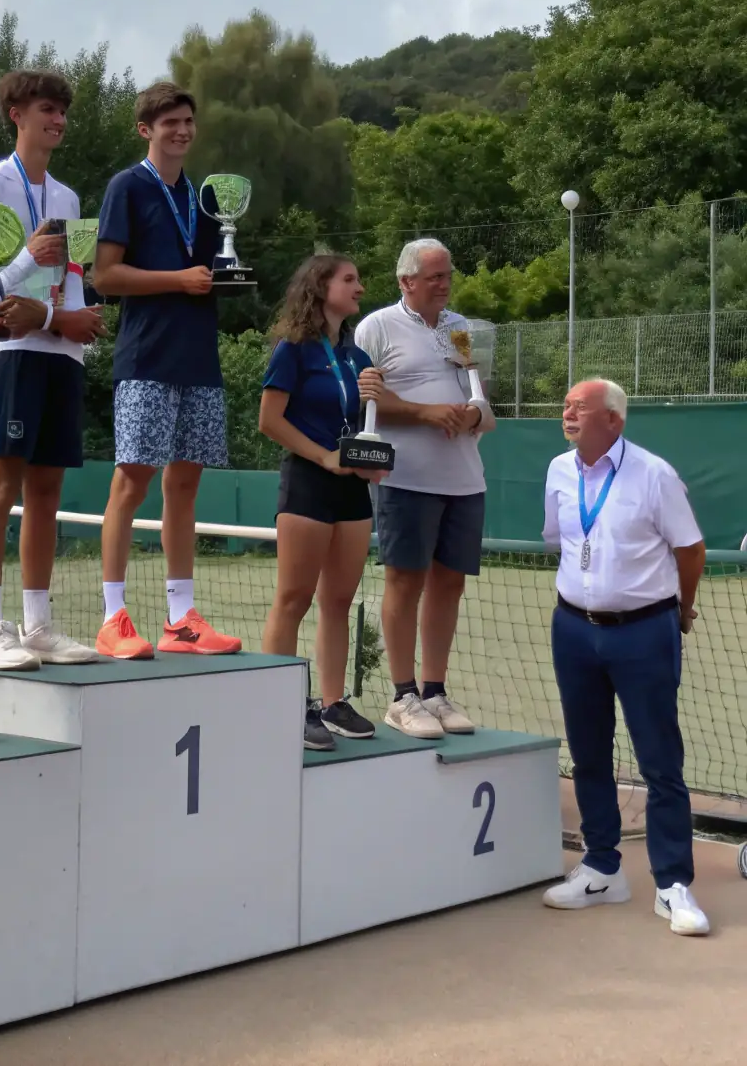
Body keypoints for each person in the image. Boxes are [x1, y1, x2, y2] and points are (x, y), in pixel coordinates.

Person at [541, 377, 710, 936]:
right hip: (573, 629)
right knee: (588, 753)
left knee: (660, 760)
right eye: (565, 406)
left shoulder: (654, 474)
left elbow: (690, 549)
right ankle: (601, 869)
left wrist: (681, 610)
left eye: (579, 407)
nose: (567, 414)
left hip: (644, 632)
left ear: (613, 419)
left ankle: (672, 885)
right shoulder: (559, 471)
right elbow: (558, 541)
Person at [90, 81, 241, 659]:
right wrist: (177, 281)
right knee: (133, 482)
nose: (181, 131)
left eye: (188, 122)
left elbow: (209, 268)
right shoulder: (127, 187)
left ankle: (180, 620)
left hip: (198, 357)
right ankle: (113, 617)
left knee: (185, 485)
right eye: (169, 122)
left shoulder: (204, 198)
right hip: (146, 357)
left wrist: (223, 277)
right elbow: (105, 276)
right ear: (145, 129)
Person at [0, 70, 106, 671]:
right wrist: (30, 257)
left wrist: (78, 321)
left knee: (47, 489)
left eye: (65, 111)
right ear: (16, 113)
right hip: (13, 354)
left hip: (60, 353)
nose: (60, 120)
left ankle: (38, 624)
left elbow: (75, 275)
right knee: (2, 485)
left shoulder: (69, 198)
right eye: (49, 108)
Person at [354, 238, 494, 740]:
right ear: (405, 281)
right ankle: (403, 696)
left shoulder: (460, 331)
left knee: (449, 584)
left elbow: (482, 402)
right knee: (405, 583)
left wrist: (474, 414)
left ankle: (435, 691)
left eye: (447, 274)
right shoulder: (375, 326)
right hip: (404, 479)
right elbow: (359, 399)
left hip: (464, 480)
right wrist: (425, 412)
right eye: (434, 276)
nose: (444, 283)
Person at [259, 255, 386, 750]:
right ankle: (282, 704)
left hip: (351, 489)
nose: (360, 287)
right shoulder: (293, 348)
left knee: (339, 600)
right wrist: (324, 457)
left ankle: (333, 703)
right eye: (349, 279)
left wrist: (374, 414)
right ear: (321, 286)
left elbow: (363, 428)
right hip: (308, 483)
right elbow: (270, 420)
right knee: (294, 598)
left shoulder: (357, 358)